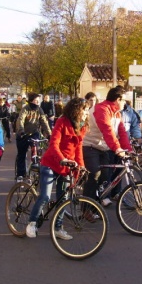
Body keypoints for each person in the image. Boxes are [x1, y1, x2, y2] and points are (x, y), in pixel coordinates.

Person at [26, 98, 90, 239]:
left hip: (67, 166)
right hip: (51, 162)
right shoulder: (62, 122)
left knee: (63, 198)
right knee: (45, 196)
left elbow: (78, 148)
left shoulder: (82, 126)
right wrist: (62, 159)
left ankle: (58, 228)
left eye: (87, 110)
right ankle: (32, 223)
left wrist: (81, 166)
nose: (86, 112)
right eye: (84, 110)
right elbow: (54, 144)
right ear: (76, 110)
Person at [82, 86, 132, 209]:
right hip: (90, 145)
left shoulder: (116, 113)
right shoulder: (102, 109)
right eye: (124, 100)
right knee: (94, 174)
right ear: (117, 99)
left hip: (103, 147)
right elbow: (107, 131)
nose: (125, 103)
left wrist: (128, 149)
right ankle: (86, 208)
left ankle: (99, 199)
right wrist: (117, 149)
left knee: (106, 175)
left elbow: (122, 133)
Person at [15, 93, 52, 181]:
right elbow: (20, 120)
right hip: (23, 134)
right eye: (36, 101)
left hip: (34, 133)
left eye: (39, 101)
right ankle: (20, 174)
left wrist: (49, 134)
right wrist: (21, 131)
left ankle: (34, 167)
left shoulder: (39, 110)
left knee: (35, 150)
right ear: (31, 101)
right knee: (21, 154)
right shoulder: (25, 109)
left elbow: (44, 122)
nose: (38, 103)